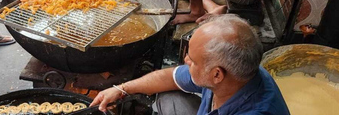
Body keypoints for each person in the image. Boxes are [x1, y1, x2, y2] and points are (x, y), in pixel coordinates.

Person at [91, 15, 290, 115]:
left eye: (192, 60)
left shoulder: (257, 110)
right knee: (168, 97)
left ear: (217, 75)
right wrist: (120, 88)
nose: (186, 61)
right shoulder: (232, 76)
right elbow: (169, 77)